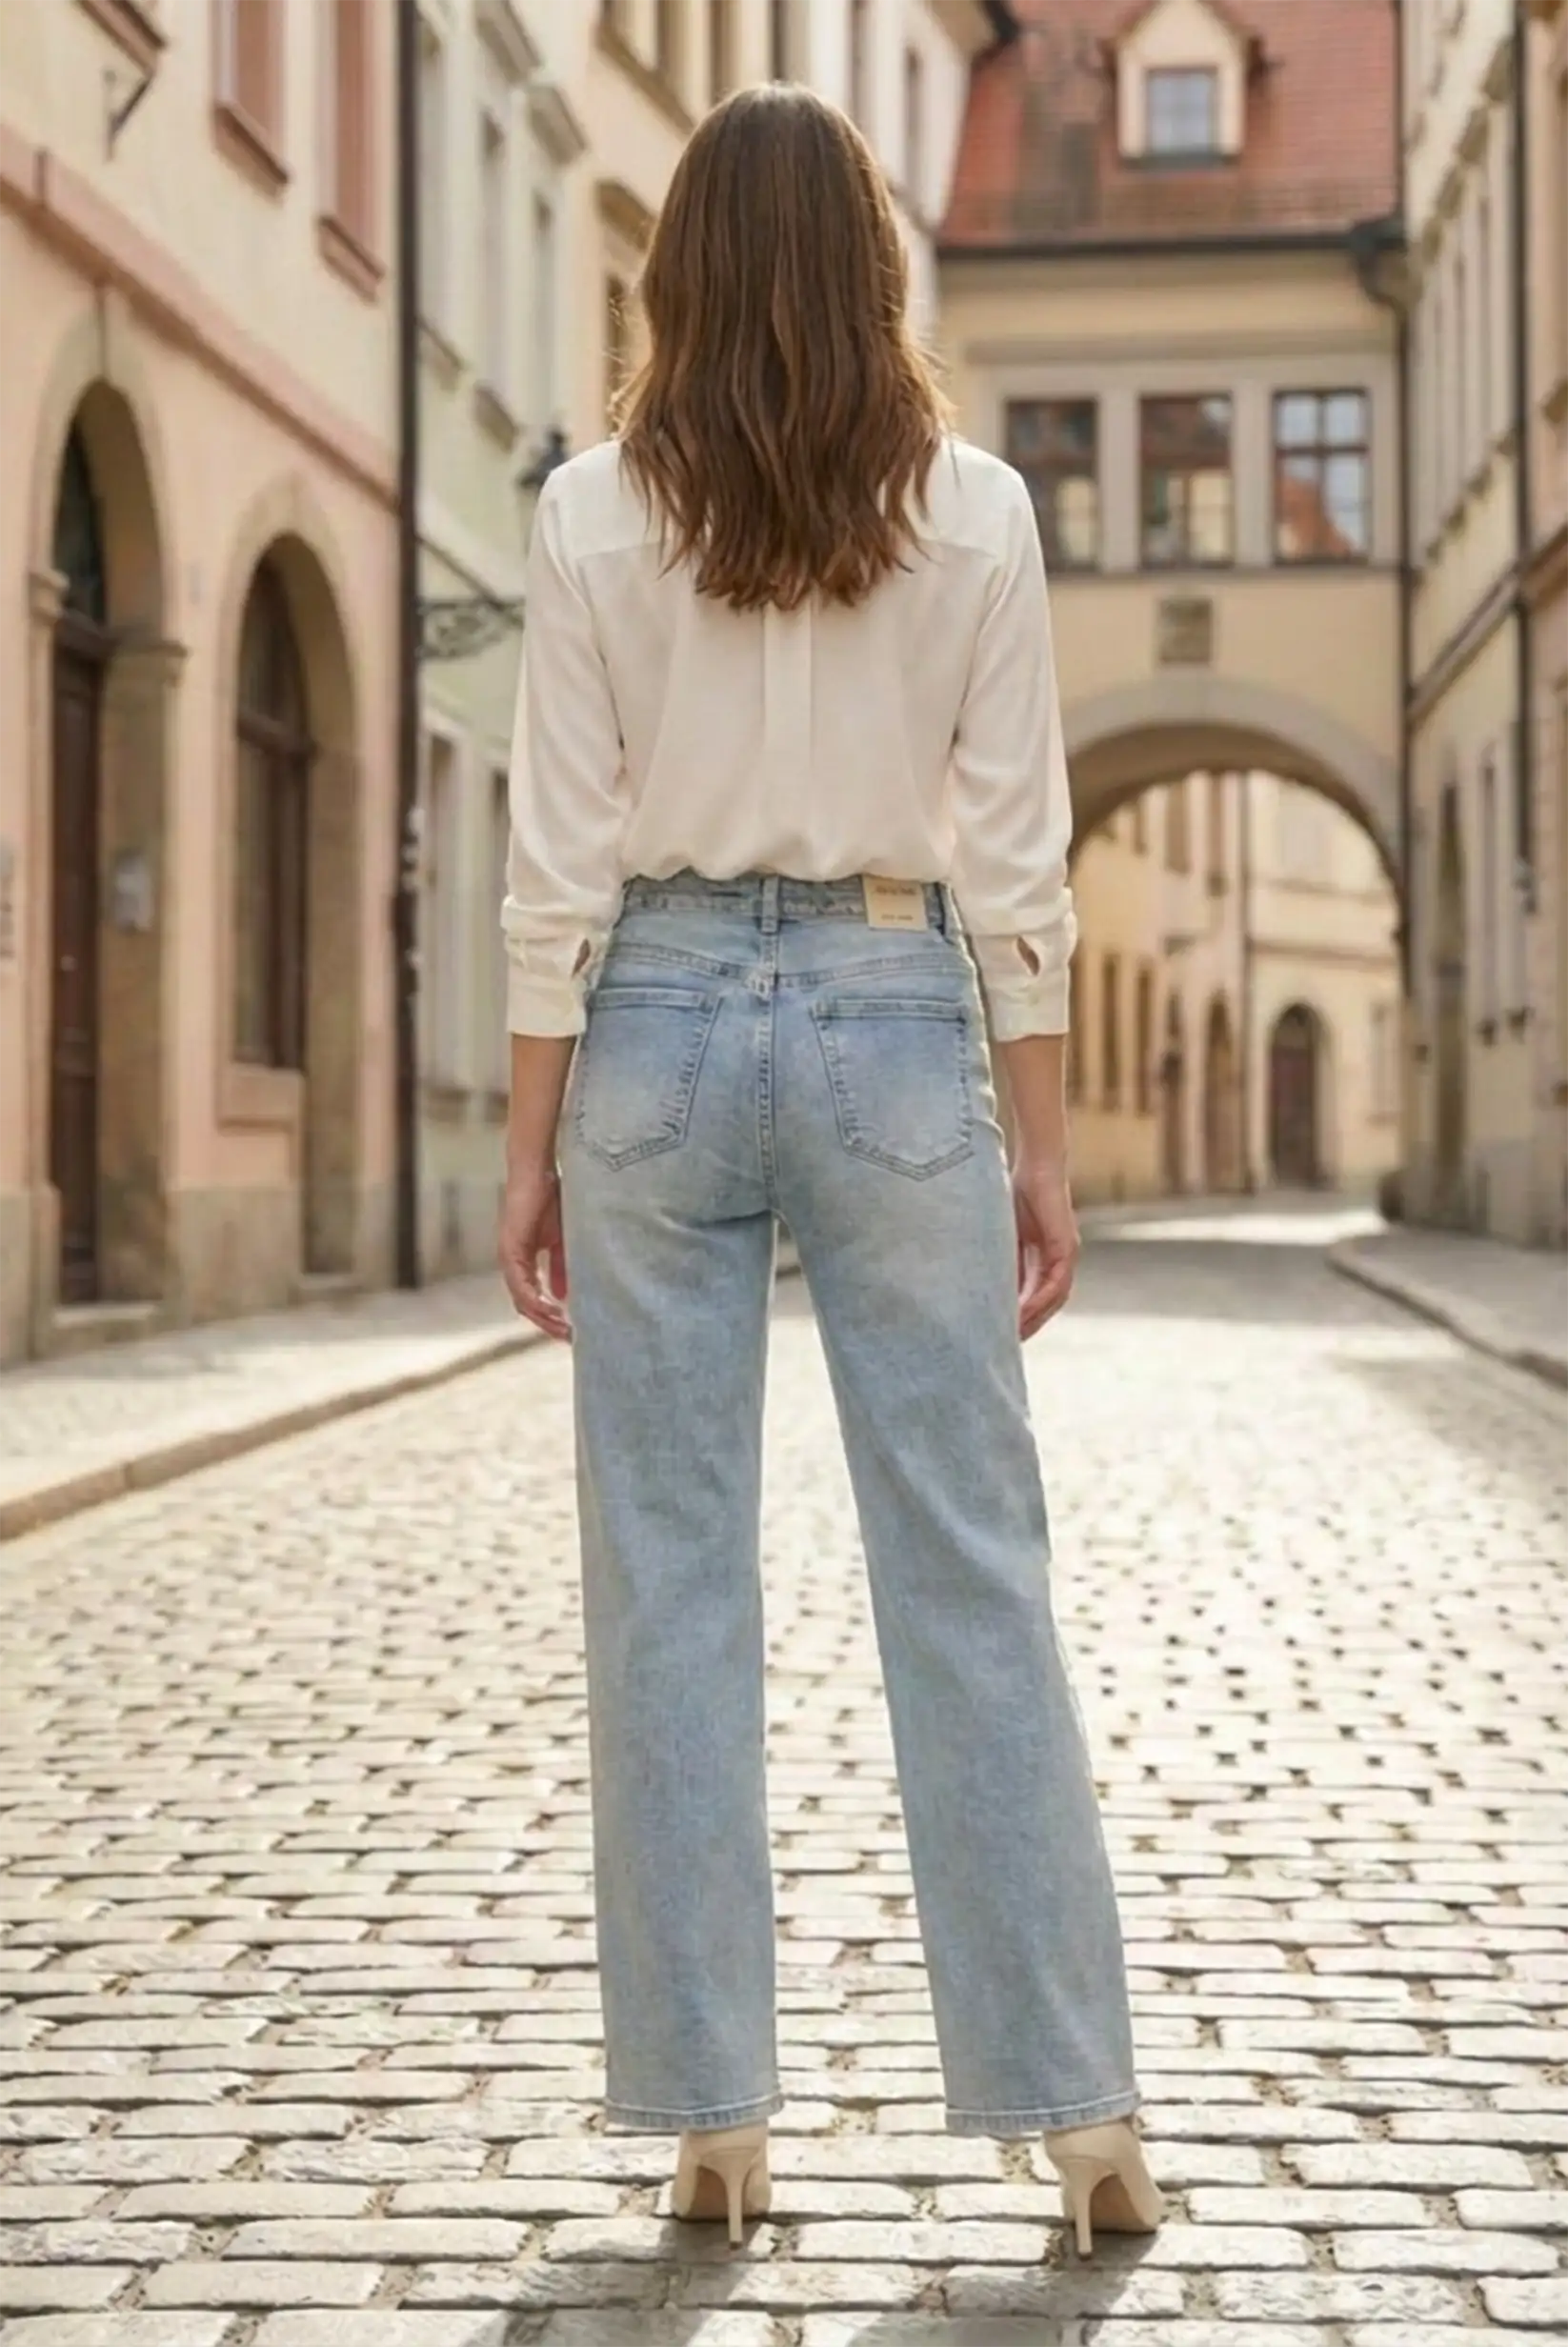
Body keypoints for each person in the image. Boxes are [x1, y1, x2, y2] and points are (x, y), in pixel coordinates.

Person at [497, 84, 1160, 2261]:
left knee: (666, 1586)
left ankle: (711, 2120)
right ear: (878, 270)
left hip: (657, 1025)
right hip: (897, 1012)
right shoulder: (974, 509)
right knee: (971, 1571)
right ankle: (1081, 2119)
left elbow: (556, 864)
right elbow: (1017, 858)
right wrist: (1041, 1140)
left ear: (671, 273)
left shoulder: (590, 510)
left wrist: (529, 1145)